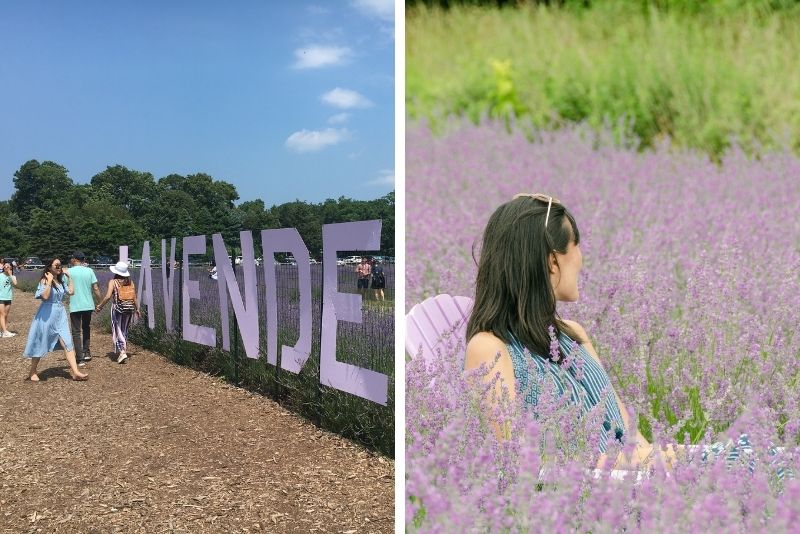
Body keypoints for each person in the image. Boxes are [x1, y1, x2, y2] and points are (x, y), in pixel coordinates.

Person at [464, 194, 677, 471]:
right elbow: (518, 460)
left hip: (638, 475)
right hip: (587, 487)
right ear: (552, 261)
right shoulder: (489, 348)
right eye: (577, 245)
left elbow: (631, 435)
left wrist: (666, 464)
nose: (581, 259)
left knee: (731, 454)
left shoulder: (573, 334)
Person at [22, 258, 88, 381]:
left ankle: (75, 372)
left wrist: (70, 278)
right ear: (49, 267)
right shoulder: (44, 280)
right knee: (40, 342)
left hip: (60, 315)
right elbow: (45, 296)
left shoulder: (61, 281)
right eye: (56, 265)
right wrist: (49, 281)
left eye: (60, 265)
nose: (59, 267)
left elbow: (71, 292)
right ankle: (32, 371)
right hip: (46, 315)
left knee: (68, 342)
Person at [96, 261, 140, 363]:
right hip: (129, 309)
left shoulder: (113, 282)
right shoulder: (130, 282)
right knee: (124, 329)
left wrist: (100, 306)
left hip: (117, 309)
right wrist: (138, 309)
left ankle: (122, 351)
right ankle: (123, 350)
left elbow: (108, 296)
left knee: (117, 329)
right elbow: (134, 297)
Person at [68, 251, 101, 366]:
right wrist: (100, 301)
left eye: (71, 258)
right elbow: (95, 288)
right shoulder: (89, 271)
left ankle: (79, 358)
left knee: (76, 331)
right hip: (88, 305)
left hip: (75, 305)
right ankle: (86, 352)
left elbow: (66, 288)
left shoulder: (69, 272)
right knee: (86, 328)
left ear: (74, 259)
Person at [0, 260, 18, 337]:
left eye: (8, 266)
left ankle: (3, 331)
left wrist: (10, 274)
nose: (6, 268)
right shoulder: (0, 275)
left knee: (6, 315)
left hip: (8, 297)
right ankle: (5, 332)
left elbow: (15, 283)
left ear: (11, 268)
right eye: (5, 266)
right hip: (1, 297)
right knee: (2, 314)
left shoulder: (12, 276)